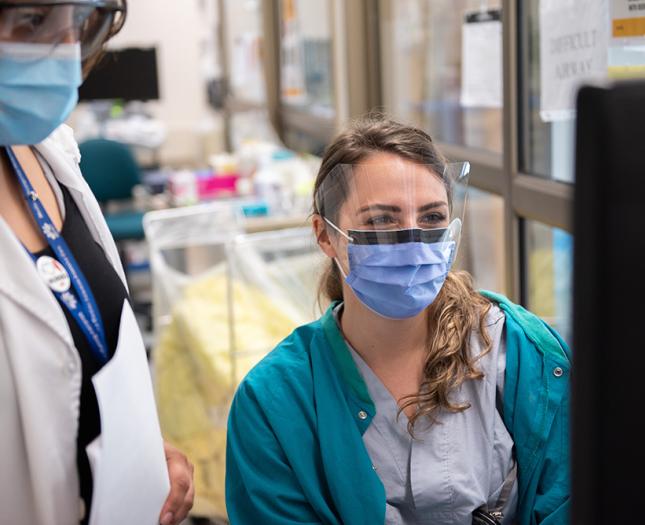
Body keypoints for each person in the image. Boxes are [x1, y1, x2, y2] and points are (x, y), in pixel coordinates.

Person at [225, 116, 571, 525]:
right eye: (380, 220)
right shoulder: (274, 403)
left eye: (431, 217)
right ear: (325, 235)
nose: (411, 238)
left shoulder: (522, 355)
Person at [0, 2, 194, 524]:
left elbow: (79, 360)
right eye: (34, 21)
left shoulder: (44, 151)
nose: (66, 49)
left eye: (79, 21)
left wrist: (141, 448)